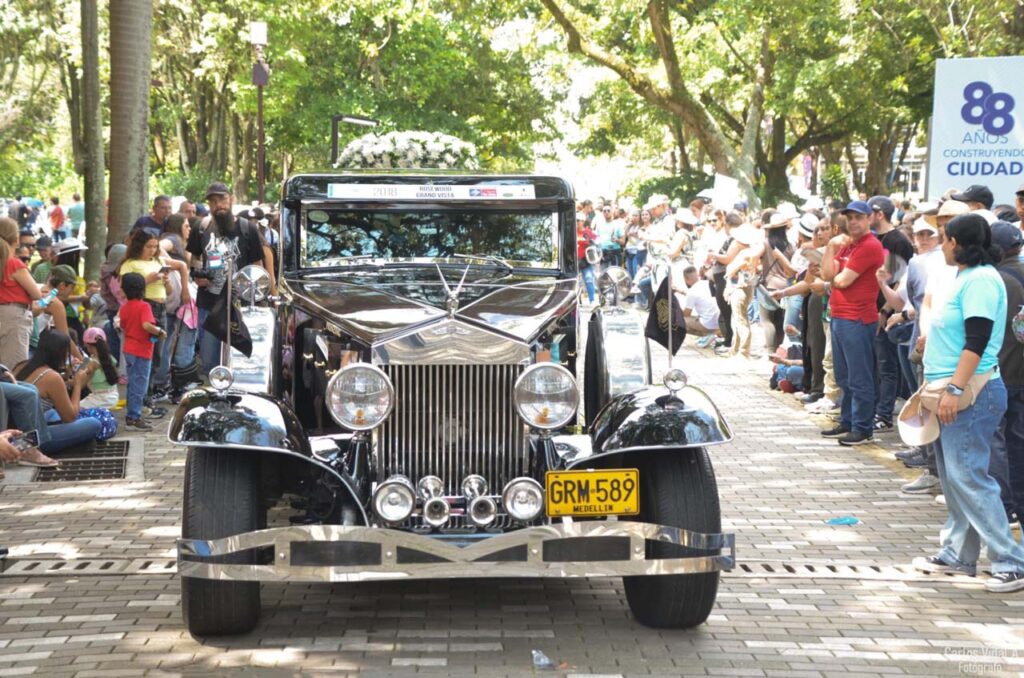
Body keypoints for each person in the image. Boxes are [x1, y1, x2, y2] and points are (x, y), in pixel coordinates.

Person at [912, 213, 1024, 593]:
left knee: (971, 477)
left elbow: (977, 341)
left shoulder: (979, 280)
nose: (940, 246)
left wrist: (955, 390)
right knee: (955, 478)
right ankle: (959, 553)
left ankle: (1010, 561)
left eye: (944, 239)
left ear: (957, 243)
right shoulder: (966, 277)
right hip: (950, 389)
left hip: (968, 393)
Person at [820, 200, 885, 446]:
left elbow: (843, 280)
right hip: (840, 316)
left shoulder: (869, 246)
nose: (853, 222)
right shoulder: (848, 245)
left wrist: (830, 281)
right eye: (850, 218)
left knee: (859, 376)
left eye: (858, 217)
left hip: (857, 318)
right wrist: (829, 247)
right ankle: (848, 421)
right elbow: (828, 275)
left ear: (869, 219)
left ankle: (862, 427)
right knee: (844, 375)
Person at [187, 182, 271, 374]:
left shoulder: (248, 229)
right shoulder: (201, 228)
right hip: (210, 304)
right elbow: (194, 260)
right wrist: (198, 276)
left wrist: (259, 298)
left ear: (231, 199)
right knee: (209, 362)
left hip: (240, 305)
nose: (219, 205)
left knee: (240, 362)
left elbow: (257, 266)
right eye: (213, 201)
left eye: (222, 199)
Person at [13, 330, 103, 455]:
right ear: (60, 353)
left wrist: (65, 375)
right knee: (94, 424)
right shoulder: (52, 377)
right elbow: (70, 417)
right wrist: (77, 384)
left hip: (13, 432)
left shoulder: (21, 366)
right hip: (30, 441)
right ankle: (65, 447)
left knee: (52, 413)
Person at [868, 195, 915, 432]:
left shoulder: (899, 241)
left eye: (867, 213)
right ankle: (873, 410)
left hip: (890, 312)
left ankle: (884, 414)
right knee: (873, 365)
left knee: (887, 365)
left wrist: (885, 311)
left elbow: (903, 280)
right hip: (869, 311)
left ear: (879, 214)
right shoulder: (870, 239)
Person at [991, 221, 1024, 529]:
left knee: (997, 441)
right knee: (1017, 441)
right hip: (1020, 371)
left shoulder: (998, 280)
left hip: (1003, 370)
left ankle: (1004, 504)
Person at [119, 272, 166, 430]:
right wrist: (159, 332)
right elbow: (146, 325)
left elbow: (123, 326)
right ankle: (134, 418)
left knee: (132, 384)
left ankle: (131, 415)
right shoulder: (144, 306)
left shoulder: (125, 307)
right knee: (140, 384)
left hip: (129, 348)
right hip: (141, 350)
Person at [0, 217, 42, 368]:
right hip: (14, 317)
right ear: (16, 238)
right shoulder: (14, 264)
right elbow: (36, 293)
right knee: (14, 368)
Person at [758, 212, 797, 353]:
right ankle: (778, 350)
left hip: (770, 286)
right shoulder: (791, 246)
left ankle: (770, 350)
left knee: (767, 320)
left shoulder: (766, 244)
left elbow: (754, 256)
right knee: (780, 321)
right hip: (786, 288)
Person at [79, 327, 120, 409]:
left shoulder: (92, 363)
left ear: (88, 345)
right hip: (113, 396)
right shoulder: (110, 358)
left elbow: (80, 385)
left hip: (100, 399)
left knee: (75, 409)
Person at [680, 266, 719, 345]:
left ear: (686, 278)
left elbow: (686, 314)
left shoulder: (692, 292)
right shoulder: (707, 283)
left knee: (677, 321)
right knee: (697, 317)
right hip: (718, 322)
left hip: (707, 324)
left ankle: (709, 335)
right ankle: (712, 334)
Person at [575, 212, 597, 305]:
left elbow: (595, 243)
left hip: (585, 260)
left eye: (578, 220)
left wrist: (584, 242)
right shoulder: (572, 231)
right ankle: (576, 301)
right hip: (574, 260)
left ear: (582, 221)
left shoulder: (588, 232)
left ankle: (592, 300)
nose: (576, 222)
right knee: (575, 282)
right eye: (575, 220)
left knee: (588, 279)